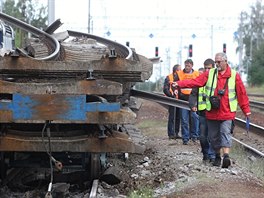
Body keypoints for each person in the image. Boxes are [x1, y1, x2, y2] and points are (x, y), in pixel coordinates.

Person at [173, 52, 251, 168]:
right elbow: (196, 82)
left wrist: (246, 111)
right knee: (213, 137)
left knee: (225, 133)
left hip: (227, 112)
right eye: (216, 62)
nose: (217, 64)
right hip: (212, 112)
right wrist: (179, 84)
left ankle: (226, 156)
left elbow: (242, 94)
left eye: (219, 62)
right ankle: (217, 156)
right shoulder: (210, 74)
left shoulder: (234, 75)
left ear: (225, 61)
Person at [189, 58, 216, 164]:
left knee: (213, 135)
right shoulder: (200, 79)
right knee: (203, 136)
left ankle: (212, 155)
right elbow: (193, 94)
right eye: (205, 68)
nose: (207, 70)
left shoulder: (217, 79)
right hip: (202, 112)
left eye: (209, 68)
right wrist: (192, 105)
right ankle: (205, 154)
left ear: (213, 68)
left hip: (214, 112)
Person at [176, 59, 200, 145]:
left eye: (188, 65)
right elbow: (176, 84)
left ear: (192, 66)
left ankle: (194, 136)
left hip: (193, 99)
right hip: (183, 100)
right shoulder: (179, 74)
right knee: (184, 119)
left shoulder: (197, 74)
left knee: (194, 118)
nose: (187, 67)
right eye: (186, 65)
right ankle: (185, 138)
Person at [163, 64, 181, 139]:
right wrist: (171, 96)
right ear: (176, 70)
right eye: (180, 69)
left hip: (180, 100)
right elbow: (165, 89)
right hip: (172, 100)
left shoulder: (181, 77)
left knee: (178, 117)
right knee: (172, 117)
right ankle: (171, 134)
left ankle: (176, 133)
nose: (181, 71)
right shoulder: (169, 77)